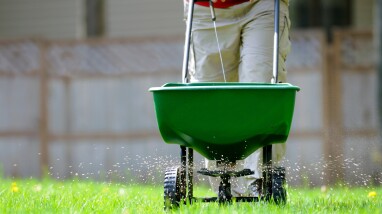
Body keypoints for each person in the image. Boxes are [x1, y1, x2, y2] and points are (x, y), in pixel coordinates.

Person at [183, 0, 291, 196]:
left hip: (262, 6)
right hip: (206, 8)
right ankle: (226, 184)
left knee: (261, 83)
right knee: (211, 96)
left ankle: (260, 181)